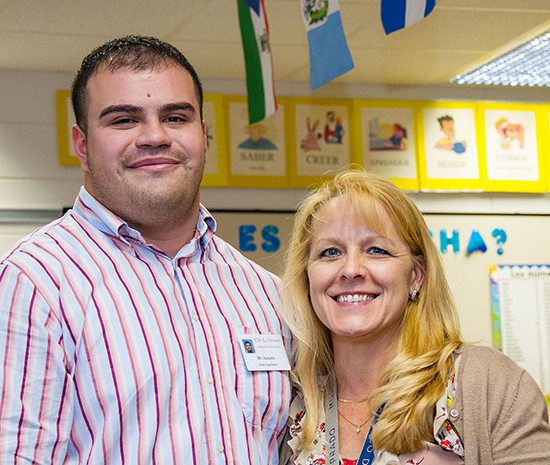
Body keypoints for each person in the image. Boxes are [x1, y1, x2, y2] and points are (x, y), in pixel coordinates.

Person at [0, 35, 290, 464]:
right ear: (82, 145)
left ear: (204, 136)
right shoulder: (36, 283)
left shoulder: (265, 292)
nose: (155, 136)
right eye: (123, 120)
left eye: (175, 117)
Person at [279, 169, 550, 465]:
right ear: (307, 277)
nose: (351, 269)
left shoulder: (489, 383)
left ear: (416, 277)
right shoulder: (287, 398)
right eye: (330, 252)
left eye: (376, 250)